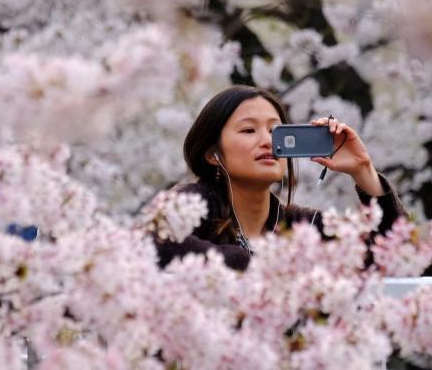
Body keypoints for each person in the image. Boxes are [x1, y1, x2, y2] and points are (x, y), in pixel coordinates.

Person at [155, 86, 406, 270]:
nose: (268, 141)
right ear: (212, 154)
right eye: (249, 130)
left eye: (276, 131)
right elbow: (156, 241)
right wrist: (256, 264)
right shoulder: (192, 206)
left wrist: (363, 170)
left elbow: (394, 253)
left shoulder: (303, 227)